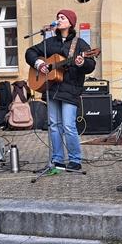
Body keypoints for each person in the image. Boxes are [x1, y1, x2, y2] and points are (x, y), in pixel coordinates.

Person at [25, 9, 95, 170]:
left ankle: (75, 160)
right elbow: (30, 52)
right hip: (52, 88)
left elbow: (90, 65)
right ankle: (57, 159)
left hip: (70, 90)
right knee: (54, 124)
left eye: (62, 18)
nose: (59, 20)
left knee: (68, 125)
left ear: (71, 23)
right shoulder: (50, 42)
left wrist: (81, 63)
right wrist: (39, 64)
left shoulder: (80, 44)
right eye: (57, 17)